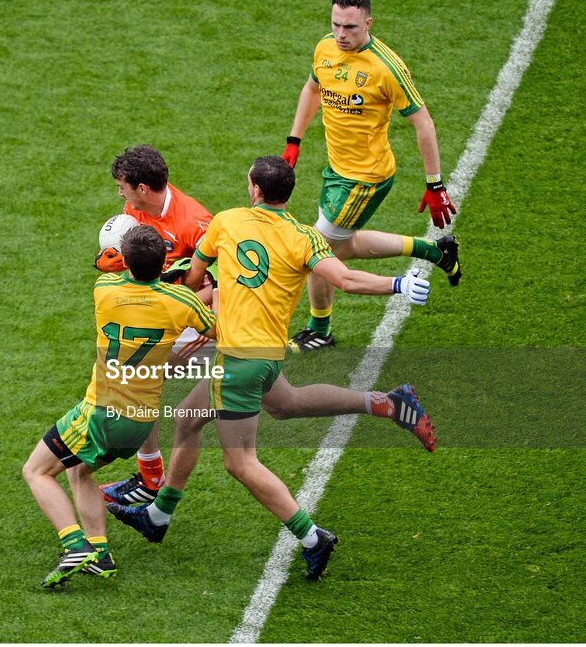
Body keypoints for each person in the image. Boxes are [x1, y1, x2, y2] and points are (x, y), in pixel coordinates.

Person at [108, 156, 436, 581]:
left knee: (240, 463)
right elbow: (347, 280)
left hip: (238, 361)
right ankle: (387, 403)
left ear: (255, 190)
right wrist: (398, 284)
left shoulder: (225, 222)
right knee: (215, 415)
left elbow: (194, 282)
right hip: (266, 353)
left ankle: (312, 536)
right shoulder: (304, 238)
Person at [23, 225, 216, 588]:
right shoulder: (182, 303)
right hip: (140, 424)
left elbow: (105, 267)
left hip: (101, 413)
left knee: (35, 471)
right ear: (164, 264)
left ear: (125, 260)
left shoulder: (105, 291)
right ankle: (101, 552)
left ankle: (74, 545)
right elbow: (218, 330)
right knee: (78, 470)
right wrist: (213, 289)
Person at [280, 0, 461, 352]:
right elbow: (313, 88)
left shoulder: (386, 67)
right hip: (335, 170)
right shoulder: (325, 48)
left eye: (350, 27)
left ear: (368, 23)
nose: (341, 35)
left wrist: (435, 184)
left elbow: (423, 122)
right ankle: (434, 251)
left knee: (316, 251)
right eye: (335, 25)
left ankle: (319, 329)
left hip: (365, 178)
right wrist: (294, 140)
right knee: (340, 247)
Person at [93, 145, 216, 506]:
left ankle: (150, 480)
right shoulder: (134, 210)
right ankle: (150, 477)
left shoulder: (195, 223)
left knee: (137, 385)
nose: (120, 193)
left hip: (189, 316)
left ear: (142, 188)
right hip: (160, 308)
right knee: (135, 384)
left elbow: (223, 283)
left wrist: (182, 305)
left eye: (123, 186)